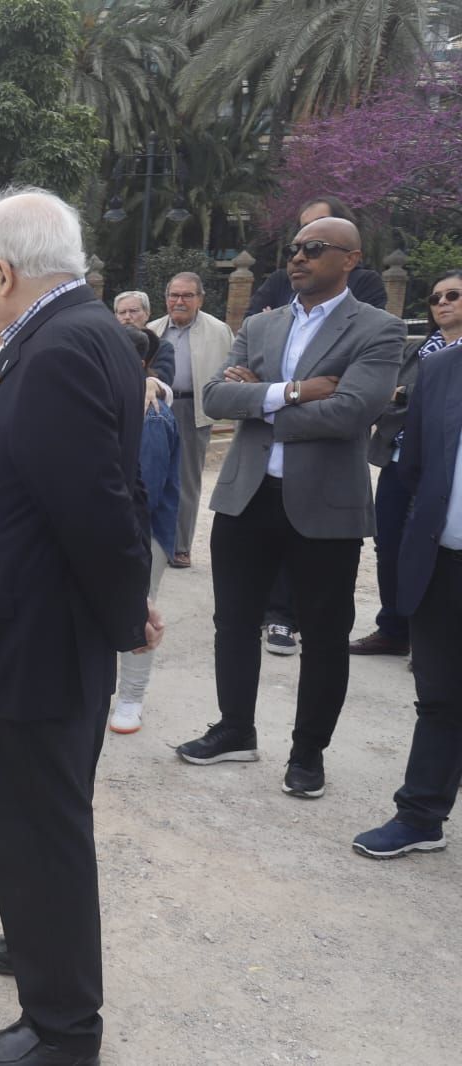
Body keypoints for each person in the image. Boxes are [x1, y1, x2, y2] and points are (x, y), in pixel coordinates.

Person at [0, 188, 156, 1066]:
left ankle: (62, 1031)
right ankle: (38, 951)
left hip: (31, 643)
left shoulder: (58, 346)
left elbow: (97, 505)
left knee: (43, 831)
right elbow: (102, 485)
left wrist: (122, 617)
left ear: (1, 271)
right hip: (30, 629)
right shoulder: (72, 332)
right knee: (31, 824)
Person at [178, 216, 403, 800]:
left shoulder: (378, 328)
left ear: (350, 259)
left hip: (325, 506)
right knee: (233, 622)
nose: (297, 258)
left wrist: (258, 399)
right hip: (246, 496)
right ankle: (235, 730)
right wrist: (295, 391)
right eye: (295, 249)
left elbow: (353, 413)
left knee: (326, 635)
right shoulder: (261, 321)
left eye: (314, 249)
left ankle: (308, 753)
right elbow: (217, 396)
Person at [350, 331, 462, 859]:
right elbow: (412, 467)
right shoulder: (441, 370)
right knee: (440, 698)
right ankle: (420, 816)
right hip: (444, 562)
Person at [352, 270, 462, 657]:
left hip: (446, 471)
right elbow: (382, 392)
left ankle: (430, 638)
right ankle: (394, 629)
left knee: (436, 548)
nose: (442, 303)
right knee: (389, 544)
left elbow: (412, 395)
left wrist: (405, 393)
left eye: (452, 295)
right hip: (398, 459)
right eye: (435, 298)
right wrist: (399, 393)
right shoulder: (418, 348)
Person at [110, 326, 181, 735]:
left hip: (144, 533)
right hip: (122, 527)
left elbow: (146, 493)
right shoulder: (120, 400)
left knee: (141, 608)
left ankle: (132, 697)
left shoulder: (151, 413)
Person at [148, 272, 235, 569]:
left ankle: (180, 546)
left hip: (193, 409)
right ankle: (149, 542)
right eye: (174, 295)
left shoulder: (219, 330)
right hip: (156, 406)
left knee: (186, 480)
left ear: (200, 298)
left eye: (187, 295)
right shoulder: (154, 329)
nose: (179, 301)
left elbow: (232, 369)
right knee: (149, 473)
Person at [247, 195, 388, 316]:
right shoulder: (280, 280)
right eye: (305, 226)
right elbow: (251, 329)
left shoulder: (365, 281)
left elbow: (360, 334)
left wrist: (274, 326)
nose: (298, 258)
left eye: (321, 222)